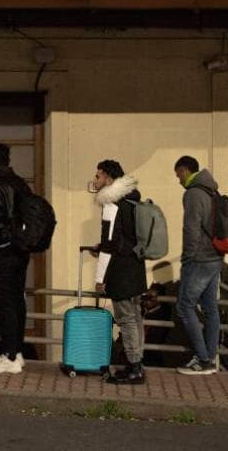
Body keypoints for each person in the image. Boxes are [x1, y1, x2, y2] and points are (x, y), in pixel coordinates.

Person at [91, 160, 148, 384]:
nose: (95, 180)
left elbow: (110, 245)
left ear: (109, 178)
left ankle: (134, 367)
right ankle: (137, 362)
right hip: (136, 267)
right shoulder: (132, 200)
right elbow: (125, 237)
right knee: (136, 317)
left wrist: (99, 278)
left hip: (120, 270)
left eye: (98, 176)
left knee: (126, 319)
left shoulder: (111, 204)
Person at [0, 143, 33, 374]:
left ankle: (8, 356)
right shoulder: (20, 183)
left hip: (1, 252)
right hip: (21, 251)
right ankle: (16, 351)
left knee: (5, 305)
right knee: (17, 300)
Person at [173, 155, 223, 375]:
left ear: (185, 170)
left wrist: (187, 258)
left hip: (200, 259)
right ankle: (210, 358)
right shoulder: (212, 191)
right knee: (211, 309)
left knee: (184, 307)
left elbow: (191, 229)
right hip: (215, 257)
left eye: (178, 175)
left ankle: (202, 359)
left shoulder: (193, 193)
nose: (178, 180)